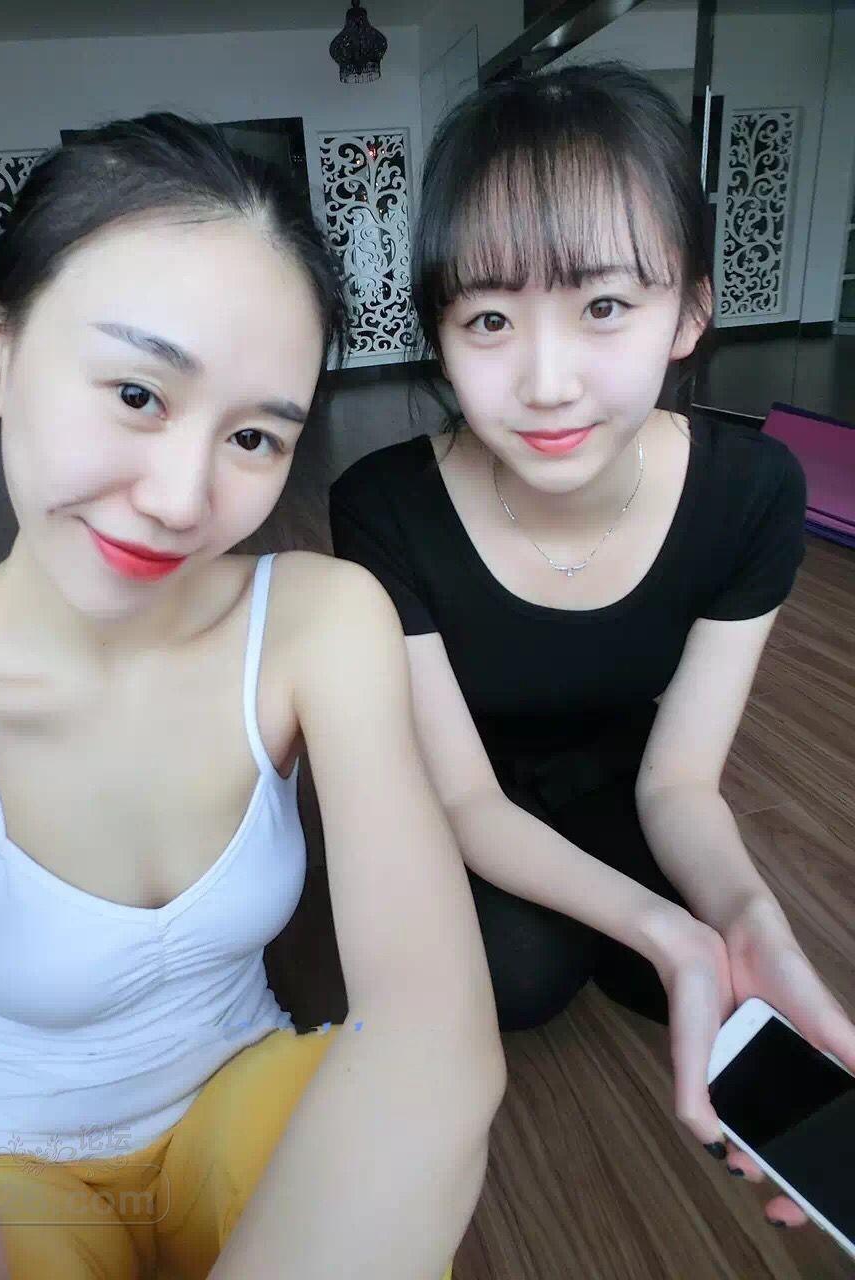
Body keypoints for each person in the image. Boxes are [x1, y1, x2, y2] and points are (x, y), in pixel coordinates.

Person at [0, 113, 507, 1280]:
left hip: (243, 1105)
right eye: (137, 392)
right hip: (1, 1174)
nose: (184, 499)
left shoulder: (320, 619)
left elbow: (435, 1035)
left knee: (385, 1134)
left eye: (255, 437)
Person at [329, 63, 855, 1231]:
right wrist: (669, 929)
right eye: (489, 319)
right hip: (464, 778)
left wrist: (747, 919)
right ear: (440, 335)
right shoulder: (383, 507)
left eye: (605, 306)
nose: (546, 381)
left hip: (626, 767)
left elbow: (680, 778)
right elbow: (464, 796)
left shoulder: (752, 492)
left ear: (691, 312)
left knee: (712, 977)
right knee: (519, 977)